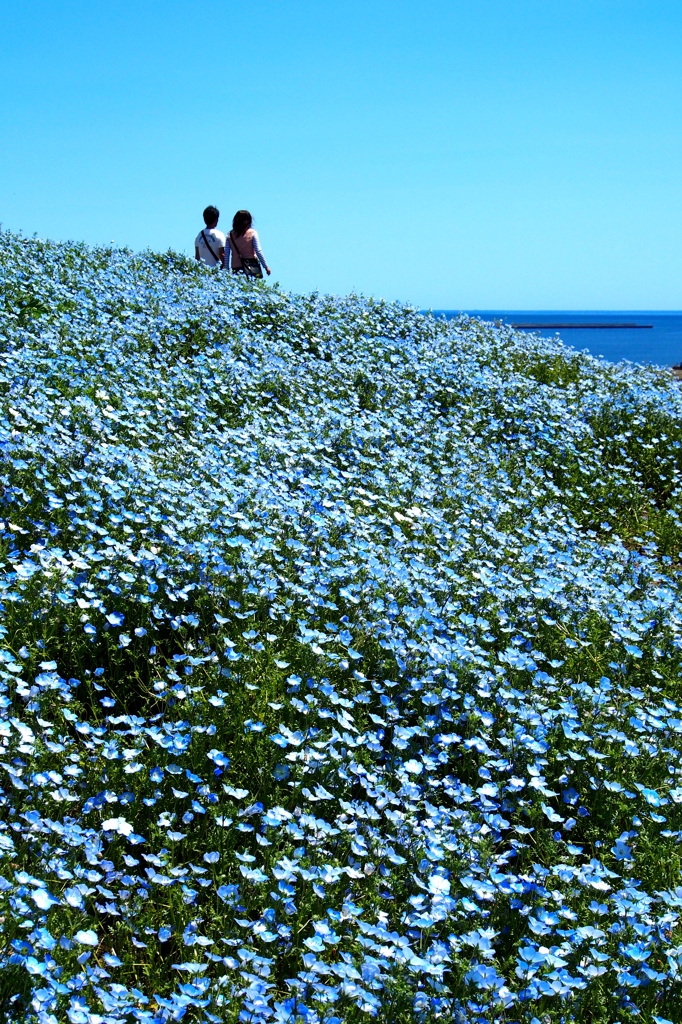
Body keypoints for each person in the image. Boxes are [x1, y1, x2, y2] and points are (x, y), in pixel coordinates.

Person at [224, 210, 271, 277]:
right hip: (251, 266)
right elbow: (258, 251)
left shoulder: (230, 235)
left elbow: (226, 254)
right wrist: (266, 266)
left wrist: (226, 269)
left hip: (236, 267)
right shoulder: (252, 233)